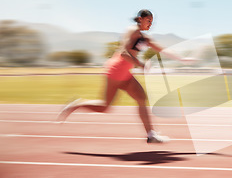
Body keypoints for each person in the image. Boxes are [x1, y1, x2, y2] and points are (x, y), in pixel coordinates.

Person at [57, 9, 191, 143]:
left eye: (152, 22)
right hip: (116, 71)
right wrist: (141, 65)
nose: (151, 24)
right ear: (140, 19)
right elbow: (124, 54)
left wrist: (182, 59)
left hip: (126, 74)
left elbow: (162, 49)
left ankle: (151, 134)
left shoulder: (145, 38)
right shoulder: (132, 30)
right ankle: (76, 104)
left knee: (141, 98)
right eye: (148, 20)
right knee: (105, 107)